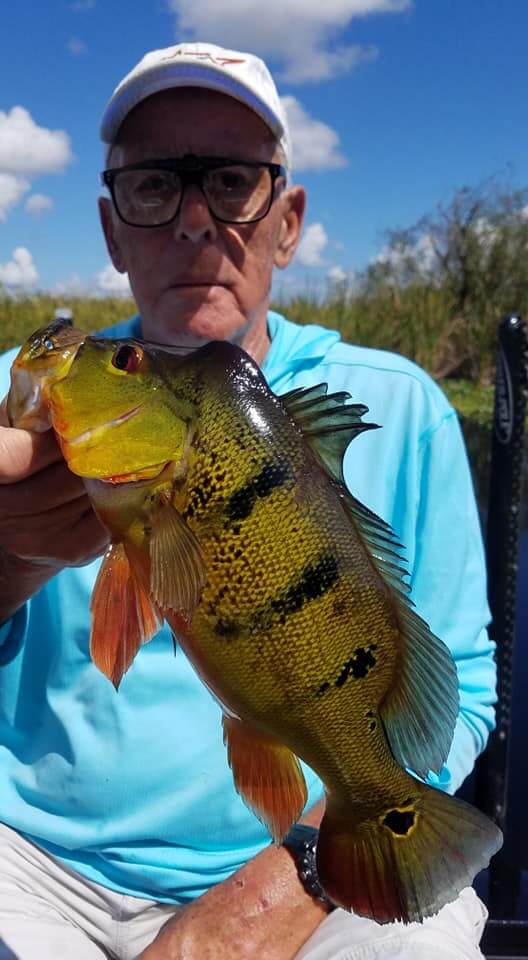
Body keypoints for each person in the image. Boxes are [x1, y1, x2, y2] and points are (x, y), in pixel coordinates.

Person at [0, 42, 496, 960]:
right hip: (33, 861)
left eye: (231, 181)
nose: (195, 222)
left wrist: (282, 886)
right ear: (112, 228)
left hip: (306, 859)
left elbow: (459, 692)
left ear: (289, 219)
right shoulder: (26, 402)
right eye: (155, 186)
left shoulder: (402, 408)